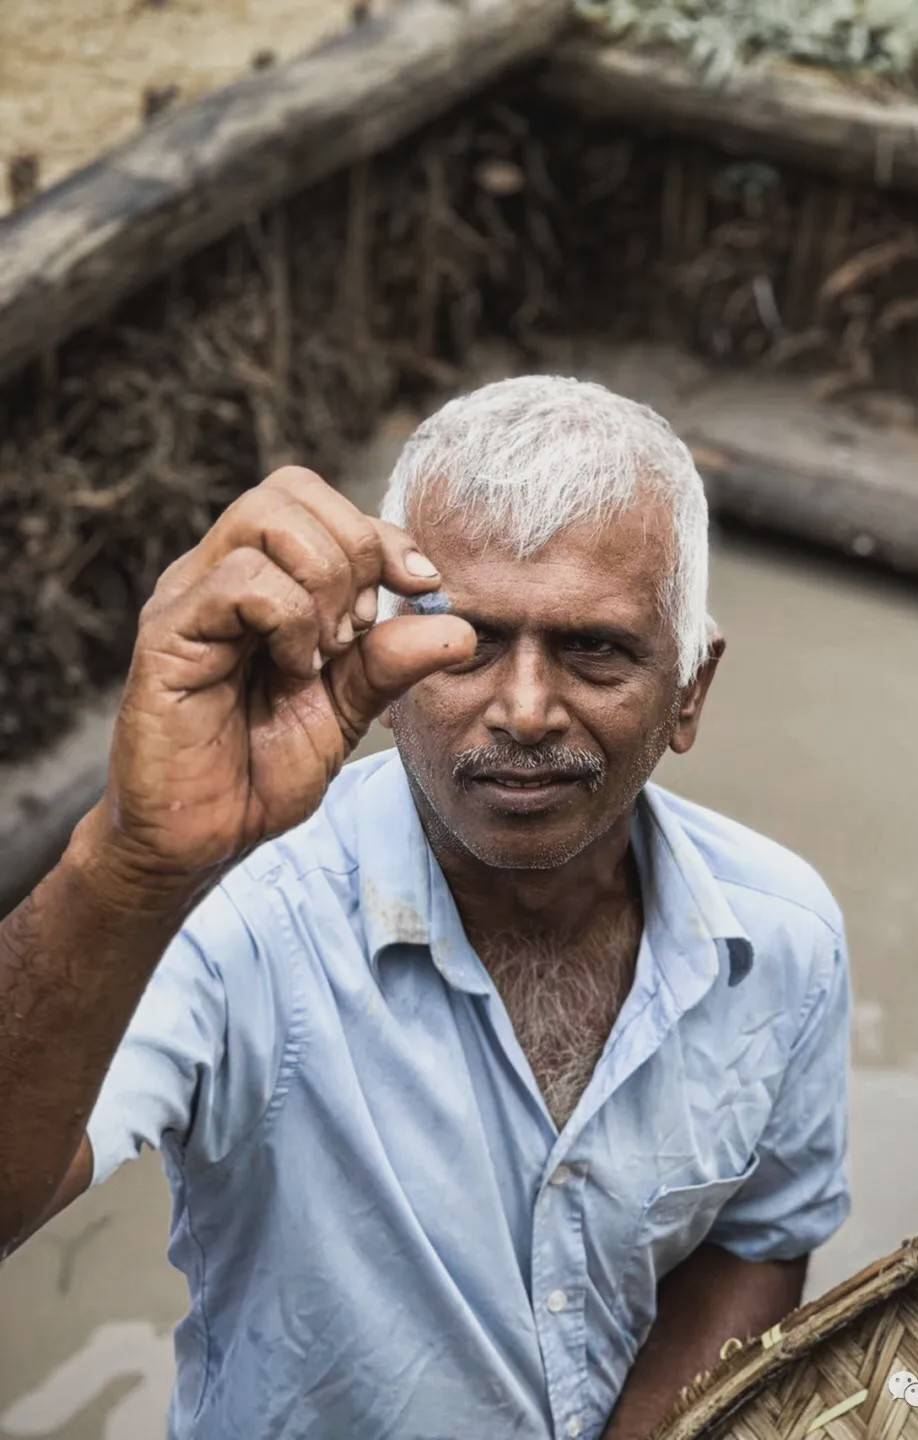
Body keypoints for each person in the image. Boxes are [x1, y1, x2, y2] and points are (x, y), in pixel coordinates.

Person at [0, 376, 852, 1440]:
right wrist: (128, 862)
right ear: (379, 662)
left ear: (690, 688)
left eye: (594, 649)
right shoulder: (231, 921)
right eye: (466, 639)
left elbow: (762, 1236)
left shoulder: (781, 937)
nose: (526, 710)